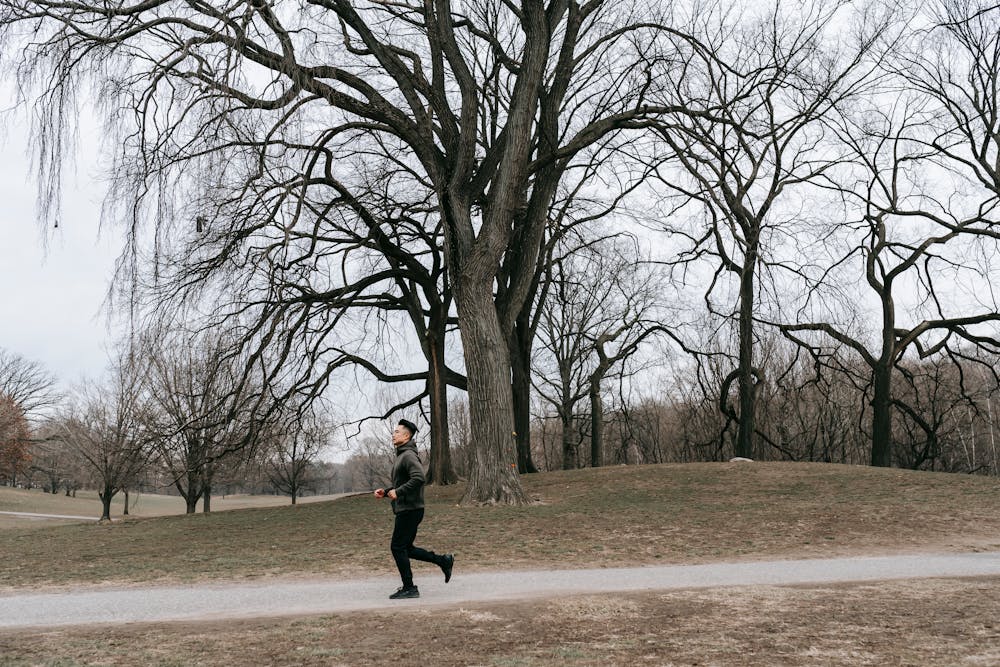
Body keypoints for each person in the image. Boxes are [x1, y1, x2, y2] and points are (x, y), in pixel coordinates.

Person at [374, 418, 455, 599]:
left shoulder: (408, 455)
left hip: (410, 509)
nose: (393, 434)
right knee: (406, 549)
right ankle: (443, 560)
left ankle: (410, 588)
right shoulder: (402, 455)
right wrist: (387, 492)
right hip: (409, 508)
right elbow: (403, 482)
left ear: (406, 435)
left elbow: (419, 478)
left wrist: (399, 492)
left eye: (397, 432)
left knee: (397, 547)